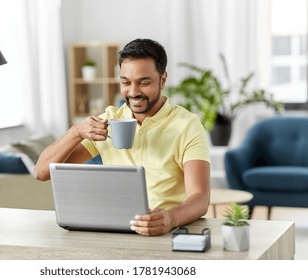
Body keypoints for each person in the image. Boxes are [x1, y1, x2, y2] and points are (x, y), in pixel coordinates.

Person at [35, 38, 210, 236]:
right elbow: (41, 172)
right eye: (126, 82)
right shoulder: (109, 121)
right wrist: (75, 132)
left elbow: (200, 198)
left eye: (144, 82)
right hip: (115, 230)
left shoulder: (187, 125)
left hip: (167, 232)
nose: (134, 92)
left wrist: (171, 218)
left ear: (163, 79)